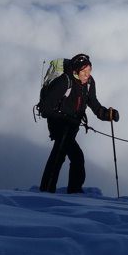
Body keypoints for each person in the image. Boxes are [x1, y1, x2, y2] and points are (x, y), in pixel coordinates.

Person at [38, 53, 119, 194]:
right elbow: (45, 109)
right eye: (84, 71)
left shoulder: (88, 83)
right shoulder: (64, 81)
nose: (87, 75)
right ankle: (51, 192)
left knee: (70, 157)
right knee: (64, 156)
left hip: (72, 126)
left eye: (89, 71)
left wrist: (107, 115)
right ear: (76, 71)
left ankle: (56, 191)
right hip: (59, 124)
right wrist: (64, 118)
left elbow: (94, 104)